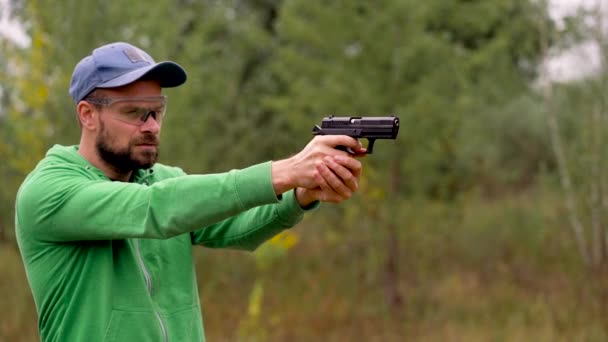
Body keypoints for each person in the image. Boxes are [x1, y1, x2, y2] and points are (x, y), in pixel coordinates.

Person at [15, 42, 364, 341]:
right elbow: (155, 210)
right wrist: (284, 170)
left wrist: (302, 193)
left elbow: (240, 225)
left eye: (157, 112)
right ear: (88, 115)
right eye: (134, 113)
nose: (151, 126)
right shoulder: (50, 191)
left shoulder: (161, 179)